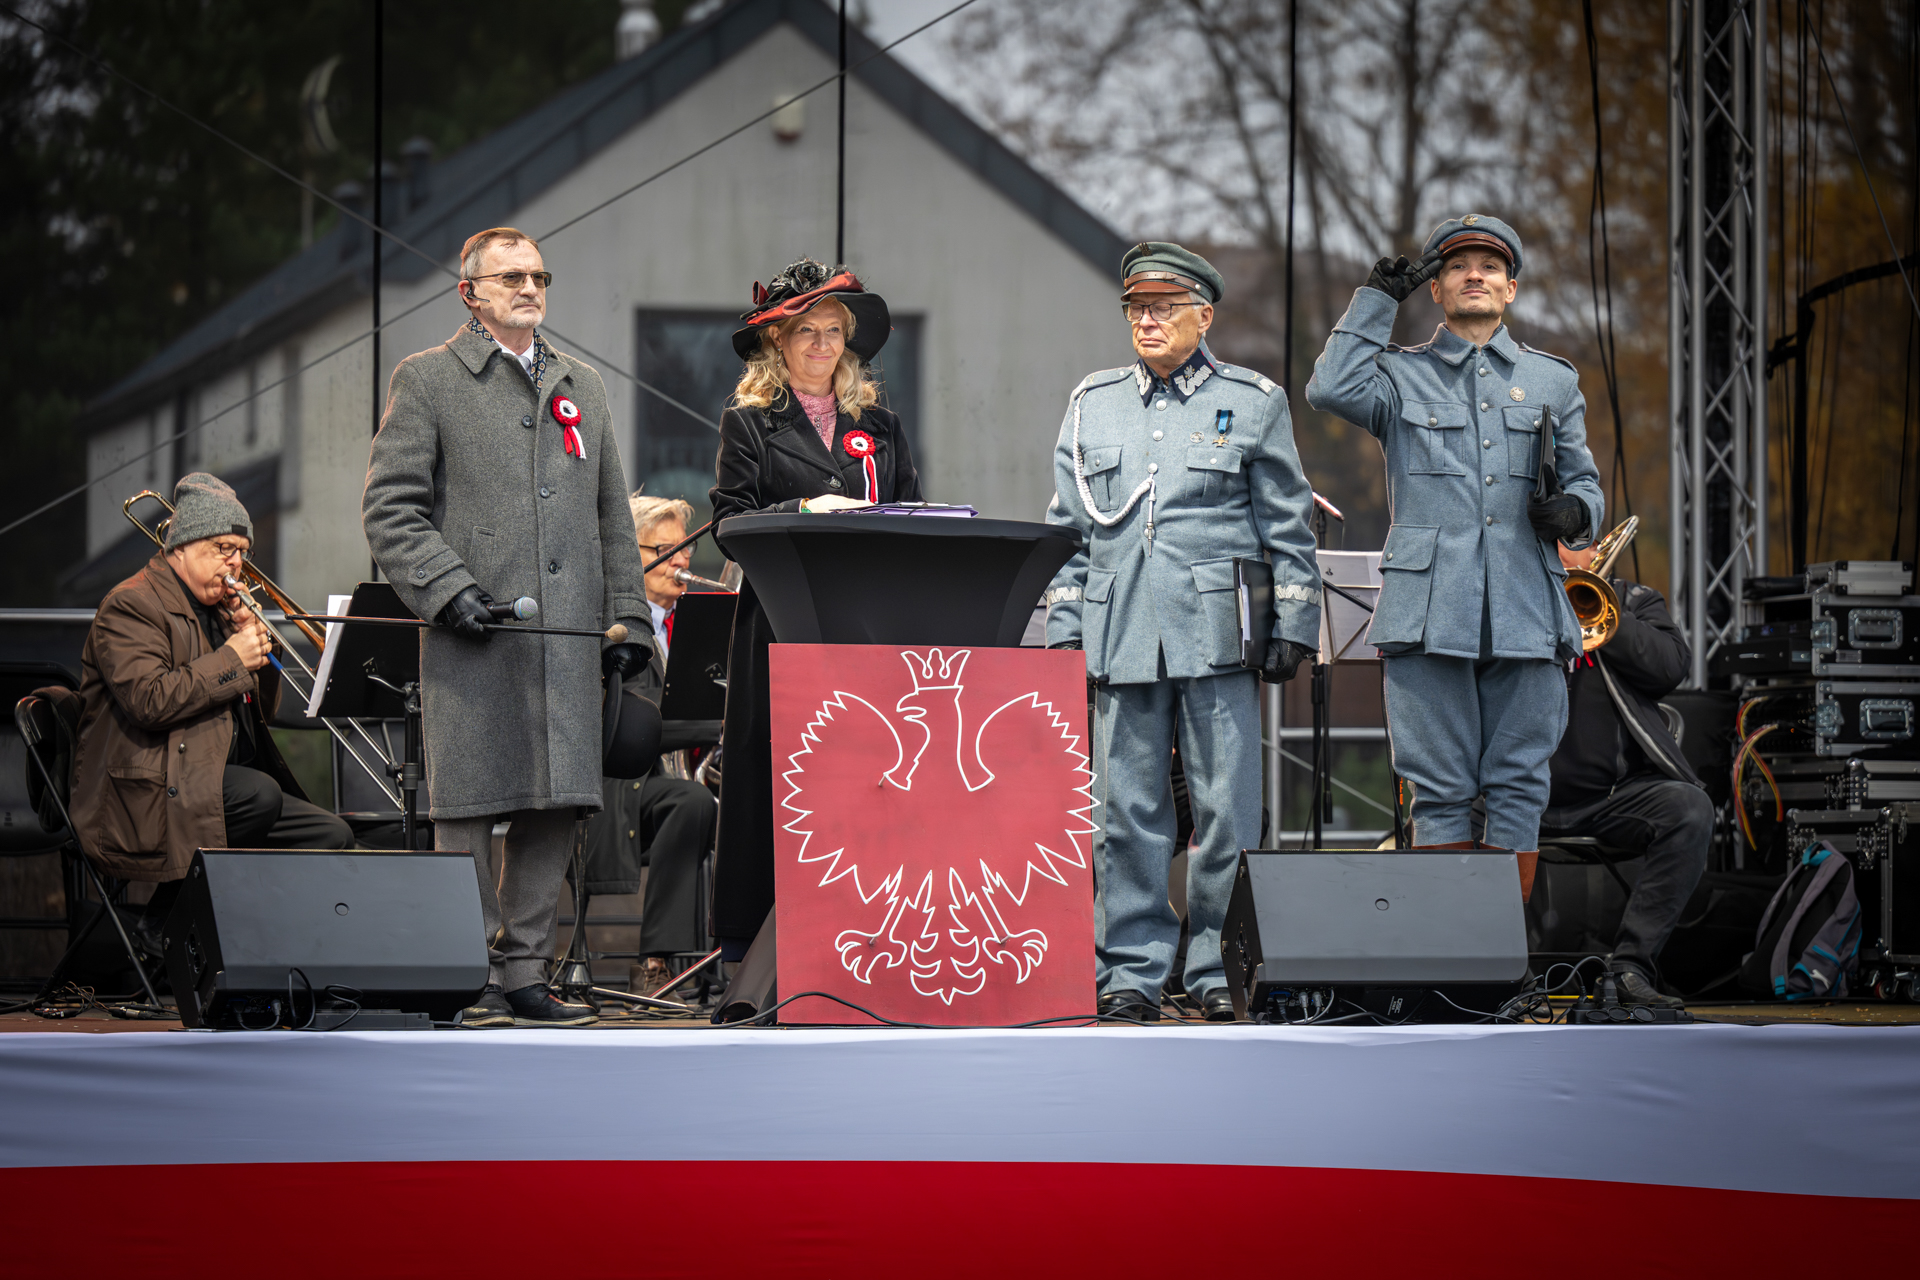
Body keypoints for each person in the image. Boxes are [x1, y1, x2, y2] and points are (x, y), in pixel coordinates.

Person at [363, 225, 654, 1028]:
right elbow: (390, 511)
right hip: (474, 635)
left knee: (553, 804)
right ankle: (466, 972)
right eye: (511, 276)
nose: (530, 287)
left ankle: (525, 972)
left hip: (563, 638)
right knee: (466, 806)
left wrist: (628, 620)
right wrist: (445, 587)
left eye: (539, 275)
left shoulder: (581, 386)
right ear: (471, 293)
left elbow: (611, 520)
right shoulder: (426, 380)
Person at [1043, 242, 1321, 1023]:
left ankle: (1214, 971)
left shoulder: (1254, 399)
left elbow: (1288, 526)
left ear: (1206, 314)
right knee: (1124, 814)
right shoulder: (1091, 402)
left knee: (1226, 814)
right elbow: (1067, 534)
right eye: (1138, 307)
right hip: (1119, 627)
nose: (1149, 319)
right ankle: (1130, 973)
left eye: (1166, 307)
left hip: (1216, 633)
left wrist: (1292, 620)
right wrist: (1067, 636)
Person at [1306, 214, 1603, 901]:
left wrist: (1575, 513)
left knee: (1520, 784)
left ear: (1512, 288)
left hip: (1528, 606)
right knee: (1437, 789)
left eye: (1490, 266)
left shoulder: (1552, 381)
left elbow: (1588, 491)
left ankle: (1499, 966)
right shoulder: (1401, 376)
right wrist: (1376, 299)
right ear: (1435, 291)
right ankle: (1452, 968)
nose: (1475, 274)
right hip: (1429, 608)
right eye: (1458, 266)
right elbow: (1329, 388)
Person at [707, 257, 921, 960]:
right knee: (774, 778)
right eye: (808, 332)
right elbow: (728, 526)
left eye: (835, 332)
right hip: (779, 624)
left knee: (865, 778)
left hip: (866, 626)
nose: (823, 345)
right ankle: (754, 950)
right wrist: (800, 507)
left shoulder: (881, 426)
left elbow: (913, 511)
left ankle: (866, 939)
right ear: (779, 343)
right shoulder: (749, 424)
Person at [73, 473, 352, 949]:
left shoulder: (214, 610)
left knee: (331, 835)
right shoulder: (130, 605)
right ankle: (165, 922)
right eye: (223, 548)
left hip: (206, 780)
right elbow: (148, 700)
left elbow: (259, 708)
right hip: (144, 792)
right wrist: (230, 659)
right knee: (258, 796)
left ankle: (259, 948)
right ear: (181, 545)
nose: (236, 564)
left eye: (242, 551)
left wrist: (256, 656)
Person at [1540, 535, 1711, 1009]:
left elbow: (1671, 667)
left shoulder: (1633, 600)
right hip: (1518, 796)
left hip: (1611, 799)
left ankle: (1631, 967)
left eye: (1586, 541)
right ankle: (1484, 968)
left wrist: (1608, 618)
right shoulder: (1514, 597)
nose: (1582, 550)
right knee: (1441, 819)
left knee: (1689, 811)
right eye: (1564, 541)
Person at [581, 494, 721, 998]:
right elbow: (628, 723)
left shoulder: (695, 624)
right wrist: (717, 728)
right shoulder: (612, 624)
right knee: (692, 801)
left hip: (664, 784)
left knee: (700, 802)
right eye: (665, 550)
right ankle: (654, 962)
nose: (682, 562)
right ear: (627, 553)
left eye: (685, 550)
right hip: (614, 785)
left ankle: (680, 961)